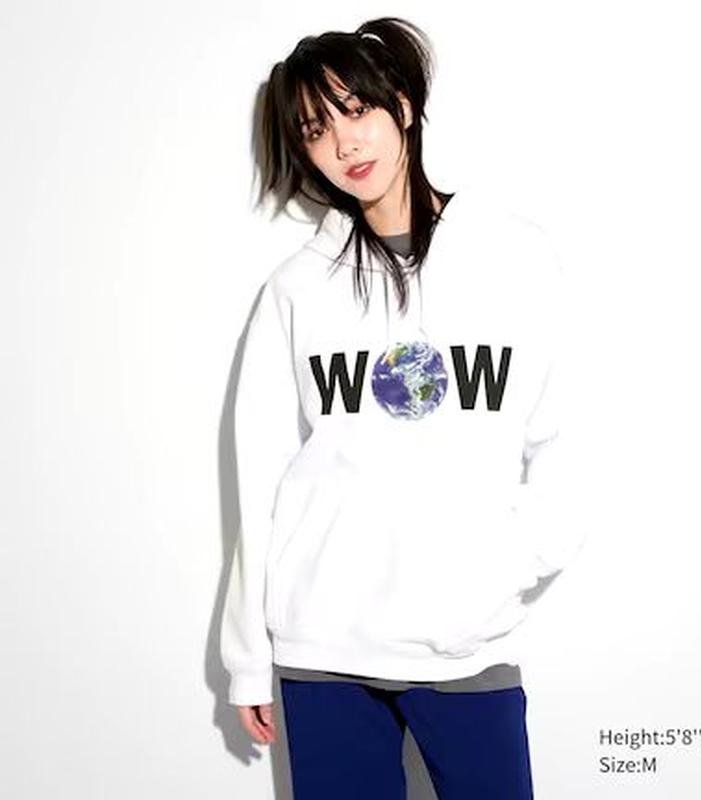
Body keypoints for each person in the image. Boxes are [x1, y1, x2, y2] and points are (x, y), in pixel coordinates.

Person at [220, 15, 585, 799]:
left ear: (404, 106)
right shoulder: (297, 288)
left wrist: (504, 570)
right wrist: (248, 654)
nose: (344, 143)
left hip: (465, 645)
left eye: (357, 110)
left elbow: (567, 440)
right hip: (324, 647)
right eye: (317, 129)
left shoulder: (515, 257)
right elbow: (260, 473)